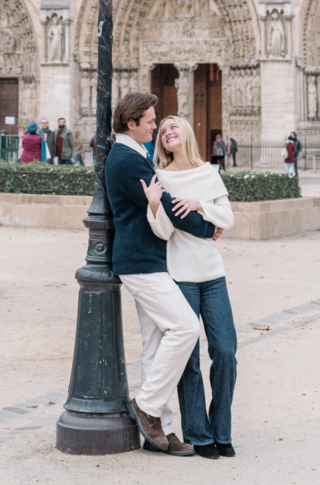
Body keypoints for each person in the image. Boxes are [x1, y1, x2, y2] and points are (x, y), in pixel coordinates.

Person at [104, 90, 215, 457]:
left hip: (147, 260)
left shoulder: (132, 154)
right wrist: (207, 227)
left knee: (154, 346)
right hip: (141, 263)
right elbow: (169, 205)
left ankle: (161, 432)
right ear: (131, 123)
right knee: (184, 328)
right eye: (150, 121)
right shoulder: (126, 159)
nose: (155, 125)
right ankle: (148, 407)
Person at [149, 114, 236, 459]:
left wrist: (201, 205)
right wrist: (157, 205)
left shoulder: (208, 172)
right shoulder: (161, 178)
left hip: (212, 275)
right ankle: (199, 434)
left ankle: (222, 429)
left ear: (185, 132)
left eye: (174, 126)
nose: (168, 132)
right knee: (190, 361)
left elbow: (226, 218)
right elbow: (164, 232)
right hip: (180, 276)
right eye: (163, 129)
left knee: (226, 352)